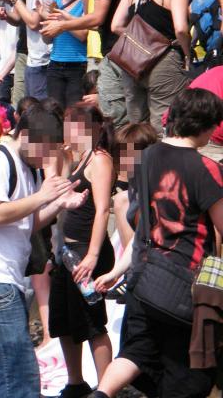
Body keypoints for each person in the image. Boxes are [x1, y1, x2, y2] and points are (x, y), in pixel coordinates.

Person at [92, 88, 223, 398]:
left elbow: (142, 230)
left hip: (143, 280)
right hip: (183, 290)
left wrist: (115, 271)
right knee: (188, 377)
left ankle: (101, 393)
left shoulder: (145, 158)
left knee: (136, 352)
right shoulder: (207, 169)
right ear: (207, 126)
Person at [0, 105, 87, 397]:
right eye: (44, 149)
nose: (46, 157)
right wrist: (42, 196)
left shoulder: (28, 169)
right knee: (18, 379)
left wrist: (57, 204)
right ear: (23, 135)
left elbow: (27, 221)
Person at [41, 0, 141, 129]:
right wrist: (66, 19)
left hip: (118, 52)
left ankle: (118, 152)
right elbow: (100, 21)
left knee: (113, 108)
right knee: (121, 105)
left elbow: (96, 18)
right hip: (121, 50)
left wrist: (62, 27)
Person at [49, 103, 116, 398]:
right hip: (66, 252)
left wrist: (92, 255)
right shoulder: (73, 157)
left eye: (72, 124)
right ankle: (75, 382)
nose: (67, 130)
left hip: (88, 253)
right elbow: (54, 191)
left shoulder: (99, 160)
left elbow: (102, 210)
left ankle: (106, 387)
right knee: (64, 321)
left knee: (92, 322)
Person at [110, 0, 192, 134]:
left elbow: (116, 26)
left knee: (136, 126)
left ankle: (137, 164)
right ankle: (161, 164)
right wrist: (187, 54)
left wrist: (140, 40)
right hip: (163, 63)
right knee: (164, 123)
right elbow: (180, 28)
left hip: (131, 62)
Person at [46, 0, 88, 109]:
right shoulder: (54, 1)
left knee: (75, 112)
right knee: (53, 110)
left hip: (78, 66)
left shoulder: (85, 1)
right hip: (55, 64)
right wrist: (45, 25)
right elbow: (47, 39)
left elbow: (83, 35)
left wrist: (63, 22)